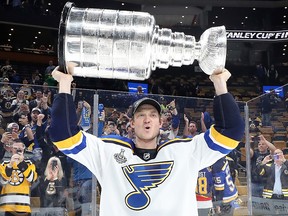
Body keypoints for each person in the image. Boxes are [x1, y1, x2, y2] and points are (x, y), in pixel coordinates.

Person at [48, 67, 244, 216]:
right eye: (141, 115)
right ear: (132, 123)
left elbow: (231, 132)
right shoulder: (107, 151)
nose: (147, 119)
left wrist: (220, 84)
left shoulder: (185, 150)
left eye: (152, 115)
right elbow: (63, 135)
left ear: (161, 123)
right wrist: (64, 84)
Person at [0, 139, 38, 215]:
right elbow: (3, 181)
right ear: (11, 149)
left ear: (24, 149)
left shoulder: (29, 163)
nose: (18, 150)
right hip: (7, 206)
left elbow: (31, 179)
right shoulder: (4, 163)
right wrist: (10, 165)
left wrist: (21, 163)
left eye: (20, 149)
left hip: (24, 206)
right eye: (15, 148)